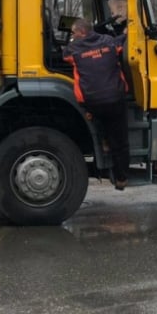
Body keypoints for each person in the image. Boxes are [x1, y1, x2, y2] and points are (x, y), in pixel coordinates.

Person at [63, 17, 130, 190]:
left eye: (74, 33)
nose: (72, 35)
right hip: (115, 98)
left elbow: (64, 56)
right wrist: (124, 32)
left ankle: (103, 139)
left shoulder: (73, 49)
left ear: (82, 32)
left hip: (92, 102)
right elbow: (121, 42)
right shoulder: (109, 42)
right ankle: (121, 178)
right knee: (121, 140)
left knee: (94, 115)